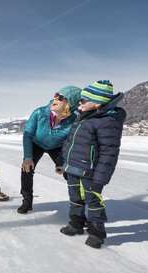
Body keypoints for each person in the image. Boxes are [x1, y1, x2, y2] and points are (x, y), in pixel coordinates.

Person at [60, 80, 126, 249]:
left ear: (97, 104)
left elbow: (109, 153)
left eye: (84, 100)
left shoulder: (107, 121)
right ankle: (76, 223)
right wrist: (65, 164)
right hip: (74, 168)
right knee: (75, 198)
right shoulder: (82, 118)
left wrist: (100, 179)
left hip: (90, 172)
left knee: (94, 201)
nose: (80, 103)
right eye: (80, 99)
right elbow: (70, 143)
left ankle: (97, 233)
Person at [18, 85, 82, 214]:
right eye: (56, 95)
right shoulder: (39, 112)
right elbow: (28, 135)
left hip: (57, 146)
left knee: (69, 172)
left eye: (60, 97)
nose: (55, 98)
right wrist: (28, 157)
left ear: (70, 103)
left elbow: (70, 142)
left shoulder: (75, 120)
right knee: (26, 168)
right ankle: (27, 201)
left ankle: (78, 207)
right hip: (36, 143)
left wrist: (61, 163)